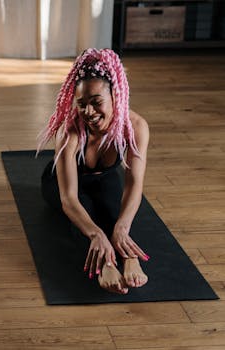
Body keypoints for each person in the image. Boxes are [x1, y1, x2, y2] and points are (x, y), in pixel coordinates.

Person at [37, 48, 149, 294]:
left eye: (96, 102)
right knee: (85, 213)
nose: (88, 112)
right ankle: (106, 264)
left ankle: (130, 257)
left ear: (115, 97)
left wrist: (121, 227)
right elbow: (69, 199)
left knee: (115, 212)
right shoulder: (69, 132)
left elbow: (134, 184)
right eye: (82, 104)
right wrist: (96, 234)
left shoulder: (136, 127)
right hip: (60, 182)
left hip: (102, 179)